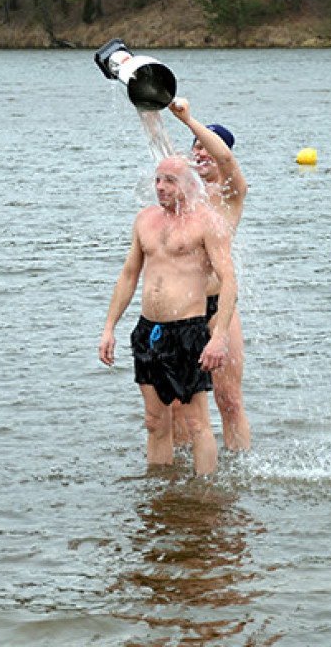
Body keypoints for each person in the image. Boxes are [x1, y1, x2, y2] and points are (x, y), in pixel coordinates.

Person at [99, 156, 238, 476]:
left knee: (196, 422)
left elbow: (229, 280)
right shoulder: (144, 219)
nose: (160, 187)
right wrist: (109, 327)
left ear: (190, 184)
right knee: (154, 421)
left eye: (170, 181)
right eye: (158, 179)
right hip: (148, 330)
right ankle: (159, 494)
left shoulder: (207, 222)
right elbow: (129, 275)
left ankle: (205, 495)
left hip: (188, 330)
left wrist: (219, 337)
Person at [168, 98, 251, 451]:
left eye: (207, 146)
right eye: (195, 148)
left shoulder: (231, 193)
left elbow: (227, 160)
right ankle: (186, 476)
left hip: (220, 307)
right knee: (177, 405)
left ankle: (240, 469)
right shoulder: (181, 194)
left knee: (228, 399)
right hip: (181, 306)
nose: (200, 152)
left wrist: (190, 121)